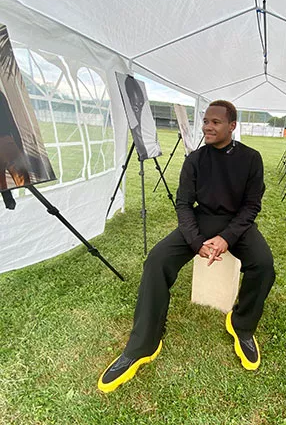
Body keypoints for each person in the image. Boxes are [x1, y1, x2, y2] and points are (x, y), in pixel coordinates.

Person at [98, 100, 275, 393]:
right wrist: (195, 241)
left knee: (264, 265)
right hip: (200, 220)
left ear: (232, 126)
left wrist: (227, 238)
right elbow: (183, 204)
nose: (208, 126)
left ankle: (241, 326)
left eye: (216, 122)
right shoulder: (195, 159)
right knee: (156, 260)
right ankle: (144, 344)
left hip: (237, 225)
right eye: (205, 121)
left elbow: (251, 206)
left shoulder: (251, 158)